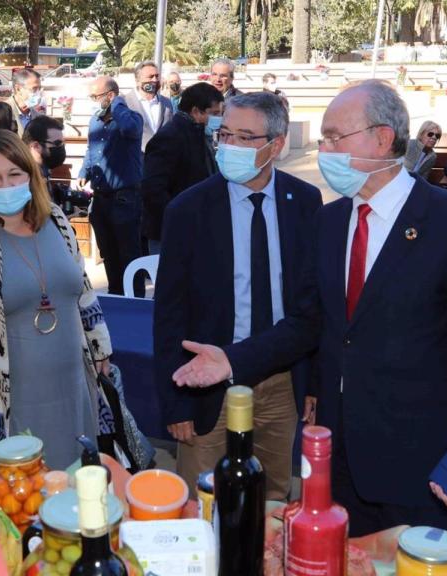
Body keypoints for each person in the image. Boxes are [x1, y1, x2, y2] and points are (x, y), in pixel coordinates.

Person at [171, 80, 447, 539]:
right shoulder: (329, 222)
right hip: (336, 460)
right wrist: (233, 360)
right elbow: (309, 322)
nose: (324, 149)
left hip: (421, 462)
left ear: (382, 138)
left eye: (334, 137)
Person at [155, 92, 322, 501]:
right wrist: (176, 405)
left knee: (273, 497)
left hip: (281, 382)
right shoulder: (188, 209)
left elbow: (312, 305)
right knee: (203, 502)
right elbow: (169, 315)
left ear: (276, 145)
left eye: (244, 138)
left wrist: (312, 383)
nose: (229, 146)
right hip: (207, 385)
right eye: (224, 134)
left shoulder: (305, 202)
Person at [0, 130, 112, 468]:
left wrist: (100, 348)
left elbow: (81, 289)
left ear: (31, 177)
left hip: (73, 386)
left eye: (15, 174)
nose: (5, 184)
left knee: (74, 487)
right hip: (9, 396)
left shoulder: (56, 221)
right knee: (20, 497)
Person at [79, 76, 144, 296]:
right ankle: (116, 296)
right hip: (101, 197)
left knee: (129, 255)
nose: (92, 100)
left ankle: (134, 300)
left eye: (95, 96)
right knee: (109, 253)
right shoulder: (95, 121)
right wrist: (84, 171)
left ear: (110, 96)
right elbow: (92, 149)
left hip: (125, 198)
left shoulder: (130, 118)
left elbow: (131, 130)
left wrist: (118, 104)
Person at [142, 82, 223, 255]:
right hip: (173, 232)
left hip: (196, 227)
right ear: (196, 111)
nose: (219, 118)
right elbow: (154, 189)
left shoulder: (198, 133)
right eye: (214, 113)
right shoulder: (170, 137)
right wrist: (181, 218)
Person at [124, 61, 174, 151]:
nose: (154, 80)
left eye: (157, 76)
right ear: (137, 81)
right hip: (136, 161)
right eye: (150, 77)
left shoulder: (166, 103)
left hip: (162, 160)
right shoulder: (125, 103)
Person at [22, 114, 69, 201]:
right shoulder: (24, 179)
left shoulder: (42, 170)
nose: (61, 147)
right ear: (36, 146)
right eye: (58, 143)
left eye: (63, 143)